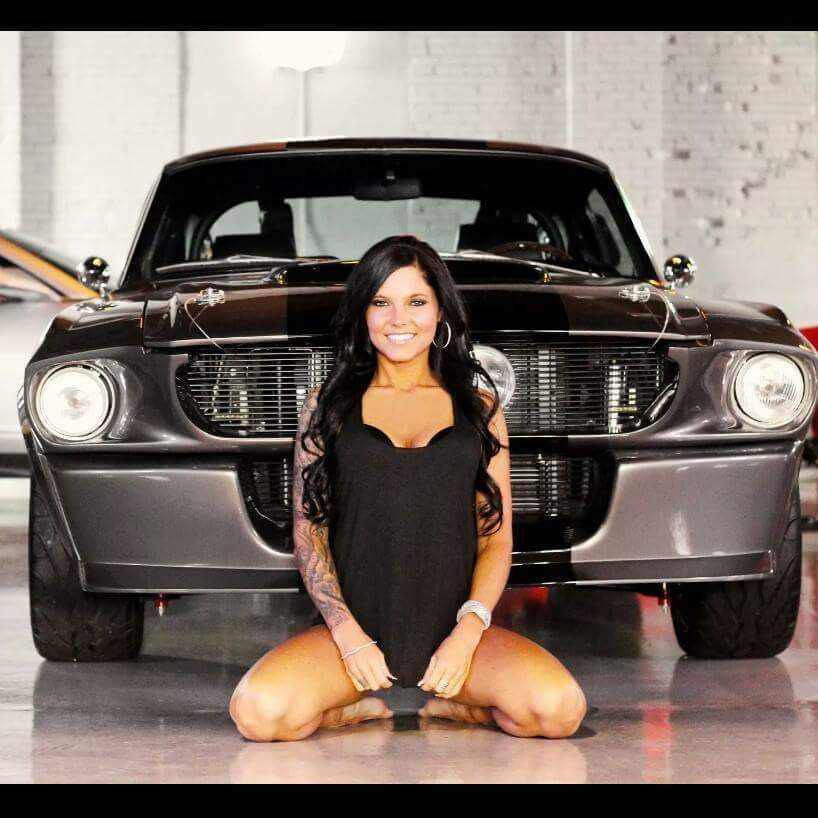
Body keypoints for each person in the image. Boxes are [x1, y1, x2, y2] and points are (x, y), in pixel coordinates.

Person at [229, 235, 587, 741]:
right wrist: (347, 636)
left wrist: (467, 635)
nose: (399, 319)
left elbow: (496, 539)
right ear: (363, 313)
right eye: (382, 303)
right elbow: (310, 537)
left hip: (456, 635)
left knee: (559, 711)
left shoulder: (480, 409)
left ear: (440, 310)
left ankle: (463, 708)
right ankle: (347, 710)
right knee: (257, 714)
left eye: (416, 302)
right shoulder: (325, 406)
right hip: (352, 638)